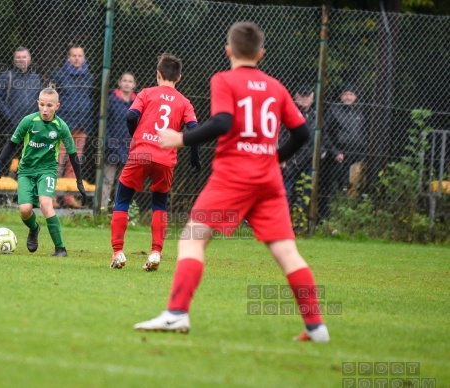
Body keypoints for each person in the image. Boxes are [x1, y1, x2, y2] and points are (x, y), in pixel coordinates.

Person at [134, 22, 330, 343]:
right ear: (261, 54)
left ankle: (176, 314)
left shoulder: (224, 80)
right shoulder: (276, 87)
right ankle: (316, 326)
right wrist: (272, 158)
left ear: (228, 51)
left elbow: (223, 122)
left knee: (192, 239)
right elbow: (303, 134)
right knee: (287, 253)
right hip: (268, 180)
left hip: (234, 177)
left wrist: (181, 138)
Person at [109, 53, 201, 271]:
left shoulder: (146, 93)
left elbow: (131, 116)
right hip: (165, 158)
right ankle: (156, 252)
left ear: (158, 74)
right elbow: (195, 129)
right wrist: (194, 156)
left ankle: (118, 252)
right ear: (179, 78)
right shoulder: (184, 102)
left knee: (122, 200)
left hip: (140, 154)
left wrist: (136, 136)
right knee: (159, 204)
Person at [0, 87, 87, 257]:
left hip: (47, 171)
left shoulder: (61, 127)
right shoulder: (28, 121)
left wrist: (79, 181)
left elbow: (73, 155)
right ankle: (34, 228)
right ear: (37, 103)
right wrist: (1, 162)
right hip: (26, 171)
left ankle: (60, 249)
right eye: (42, 104)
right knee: (24, 209)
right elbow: (12, 143)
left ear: (57, 106)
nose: (45, 109)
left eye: (49, 105)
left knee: (46, 203)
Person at [0, 47, 42, 206]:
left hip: (31, 130)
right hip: (10, 128)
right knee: (5, 162)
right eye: (18, 57)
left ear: (30, 59)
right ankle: (1, 195)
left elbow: (40, 101)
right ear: (14, 60)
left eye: (24, 57)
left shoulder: (36, 78)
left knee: (26, 163)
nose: (21, 59)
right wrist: (10, 116)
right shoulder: (6, 76)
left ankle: (22, 196)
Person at [50, 45, 94, 208]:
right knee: (57, 162)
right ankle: (51, 197)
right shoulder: (58, 76)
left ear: (84, 58)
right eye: (73, 55)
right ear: (68, 58)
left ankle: (68, 197)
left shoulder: (89, 78)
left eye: (80, 56)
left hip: (82, 125)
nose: (77, 58)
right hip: (63, 126)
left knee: (74, 164)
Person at [319, 83, 365, 219]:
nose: (348, 97)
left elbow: (362, 135)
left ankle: (345, 218)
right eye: (345, 94)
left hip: (354, 157)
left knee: (350, 188)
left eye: (351, 94)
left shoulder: (359, 113)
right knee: (330, 187)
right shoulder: (333, 110)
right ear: (341, 96)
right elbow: (324, 133)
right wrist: (335, 152)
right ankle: (324, 218)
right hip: (336, 156)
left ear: (355, 97)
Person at [102, 72, 137, 211]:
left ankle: (119, 210)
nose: (127, 83)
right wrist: (108, 143)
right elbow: (105, 124)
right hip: (112, 146)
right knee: (107, 180)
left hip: (130, 147)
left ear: (134, 85)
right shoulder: (111, 100)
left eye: (130, 81)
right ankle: (102, 209)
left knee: (124, 182)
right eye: (125, 81)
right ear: (119, 83)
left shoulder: (138, 103)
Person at [281, 85, 316, 211]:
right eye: (302, 96)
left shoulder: (315, 116)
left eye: (308, 96)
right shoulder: (289, 113)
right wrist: (283, 157)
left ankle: (300, 220)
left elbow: (322, 138)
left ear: (313, 97)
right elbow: (282, 136)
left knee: (305, 192)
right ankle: (284, 216)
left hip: (308, 159)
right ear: (295, 97)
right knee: (286, 190)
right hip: (291, 158)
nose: (305, 99)